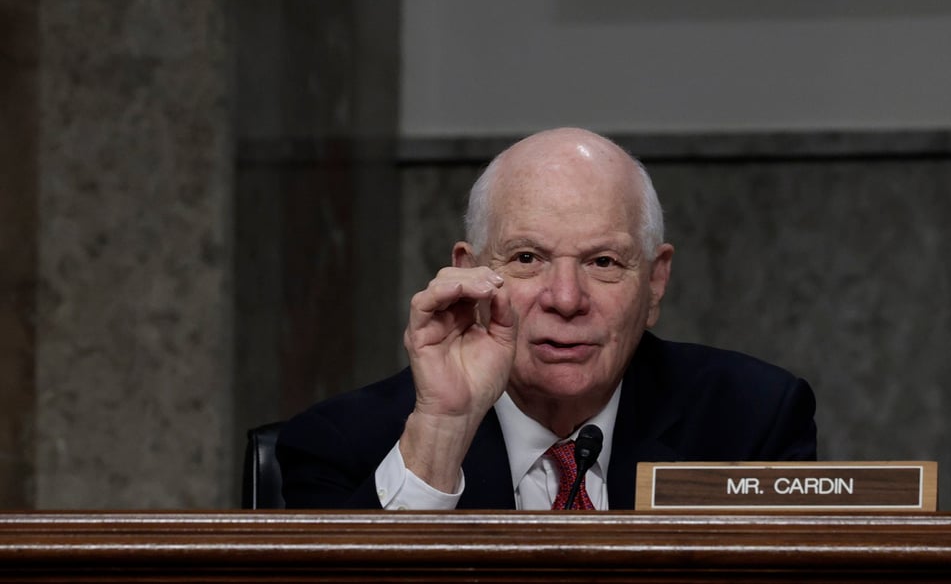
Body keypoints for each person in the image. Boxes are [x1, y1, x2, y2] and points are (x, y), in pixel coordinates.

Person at [277, 127, 816, 509]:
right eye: (527, 259)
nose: (564, 298)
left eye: (603, 262)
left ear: (654, 282)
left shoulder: (750, 423)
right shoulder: (342, 445)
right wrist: (441, 435)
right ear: (469, 276)